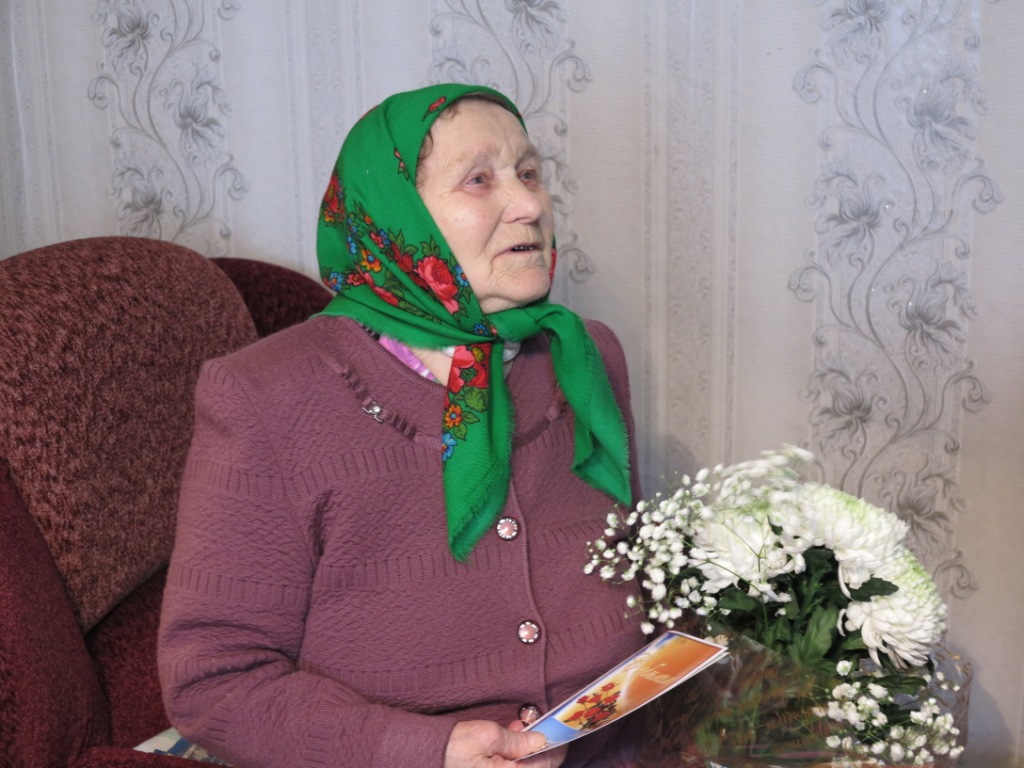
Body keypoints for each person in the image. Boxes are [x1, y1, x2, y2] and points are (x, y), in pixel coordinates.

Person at [158, 82, 645, 768]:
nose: (530, 205)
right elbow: (216, 682)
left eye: (530, 173)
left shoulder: (587, 355)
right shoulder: (265, 396)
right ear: (394, 213)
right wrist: (427, 750)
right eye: (479, 180)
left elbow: (636, 577)